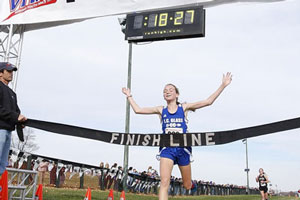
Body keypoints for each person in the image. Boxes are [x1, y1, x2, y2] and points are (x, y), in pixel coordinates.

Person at [122, 72, 232, 200]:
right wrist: (129, 96)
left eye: (170, 90)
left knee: (186, 185)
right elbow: (138, 110)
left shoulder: (183, 107)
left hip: (183, 149)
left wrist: (223, 85)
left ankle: (191, 184)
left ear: (177, 94)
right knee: (164, 182)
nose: (167, 92)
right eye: (165, 91)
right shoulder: (161, 110)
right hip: (167, 149)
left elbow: (208, 102)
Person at [0, 62, 27, 176]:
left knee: (2, 164)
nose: (11, 74)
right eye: (8, 71)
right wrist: (16, 117)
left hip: (8, 130)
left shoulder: (12, 93)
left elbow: (16, 111)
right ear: (0, 73)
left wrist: (21, 120)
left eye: (12, 71)